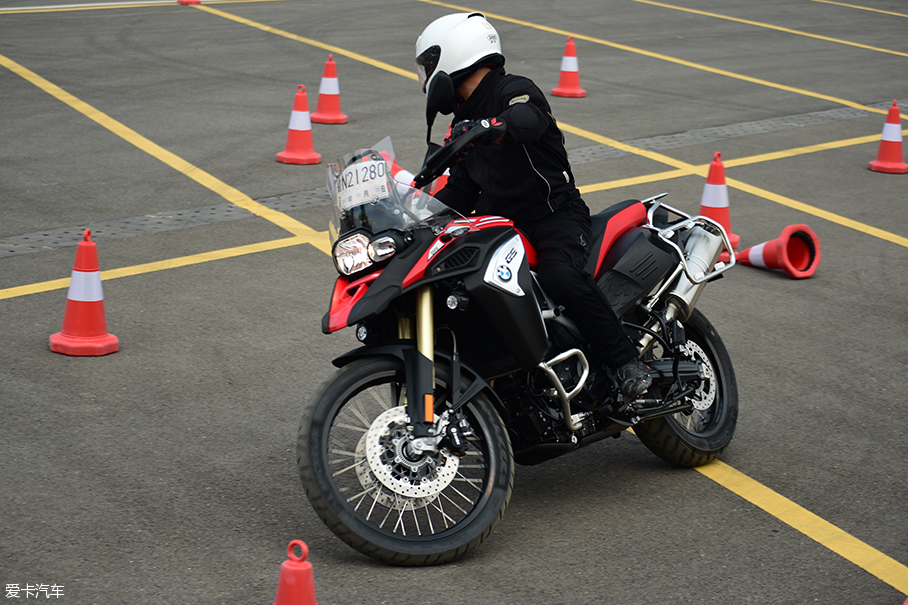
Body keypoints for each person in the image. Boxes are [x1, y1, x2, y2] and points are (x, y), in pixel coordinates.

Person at [414, 12, 652, 402]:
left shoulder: (515, 91)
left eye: (428, 64)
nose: (425, 76)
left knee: (559, 275)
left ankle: (625, 361)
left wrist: (492, 127)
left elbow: (527, 119)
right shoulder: (462, 121)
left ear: (452, 55)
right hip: (503, 226)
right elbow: (459, 191)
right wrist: (417, 214)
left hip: (555, 216)